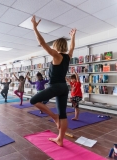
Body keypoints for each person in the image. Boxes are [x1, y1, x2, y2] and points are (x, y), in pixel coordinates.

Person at [30, 15, 76, 146]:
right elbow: (72, 48)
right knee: (63, 114)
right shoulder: (68, 56)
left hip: (55, 86)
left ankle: (53, 116)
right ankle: (60, 139)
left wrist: (34, 28)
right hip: (63, 87)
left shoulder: (57, 55)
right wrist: (73, 37)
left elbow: (43, 43)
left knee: (33, 100)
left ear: (56, 46)